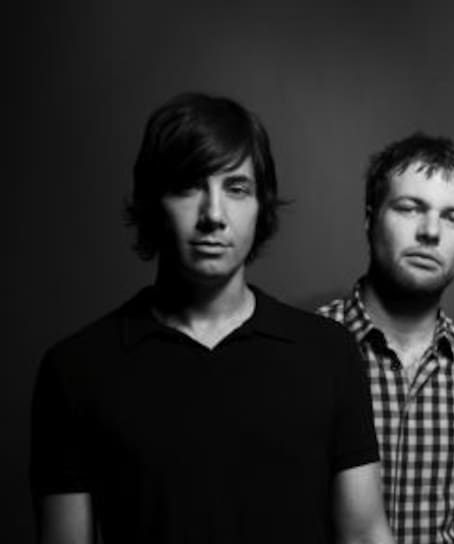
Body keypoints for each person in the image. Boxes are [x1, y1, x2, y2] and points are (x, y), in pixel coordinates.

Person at [29, 93, 392, 543]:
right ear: (152, 202)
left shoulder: (328, 353)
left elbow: (364, 535)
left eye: (236, 189)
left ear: (261, 206)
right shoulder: (76, 369)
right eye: (187, 187)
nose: (213, 215)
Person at [318, 133, 454, 543]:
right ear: (370, 219)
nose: (430, 231)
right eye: (409, 208)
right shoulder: (310, 347)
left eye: (453, 218)